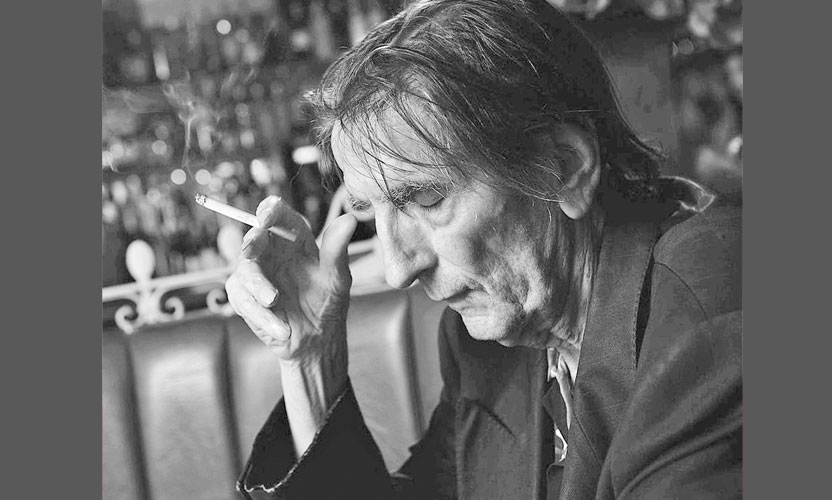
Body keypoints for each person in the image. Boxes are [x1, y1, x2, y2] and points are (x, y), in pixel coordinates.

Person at [225, 0, 742, 499]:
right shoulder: (486, 343)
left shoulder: (711, 316)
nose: (398, 268)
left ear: (565, 167)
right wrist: (311, 359)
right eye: (367, 210)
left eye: (427, 198)